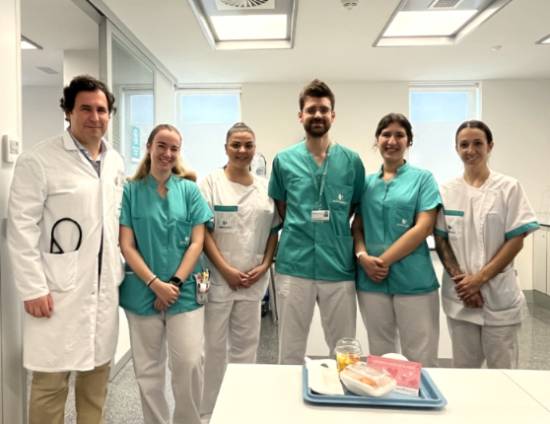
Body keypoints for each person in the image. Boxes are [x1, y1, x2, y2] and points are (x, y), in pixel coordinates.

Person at [7, 75, 125, 424]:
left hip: (103, 289)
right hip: (55, 291)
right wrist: (33, 288)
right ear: (68, 112)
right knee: (49, 384)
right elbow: (21, 227)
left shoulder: (115, 162)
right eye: (85, 108)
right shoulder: (39, 160)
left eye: (101, 110)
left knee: (96, 382)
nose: (95, 117)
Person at [118, 124, 213, 424]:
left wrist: (172, 284)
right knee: (148, 370)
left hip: (182, 291)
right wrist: (155, 284)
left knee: (188, 363)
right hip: (142, 290)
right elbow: (126, 244)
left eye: (174, 148)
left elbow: (198, 242)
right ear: (149, 146)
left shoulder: (188, 189)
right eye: (162, 145)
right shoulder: (131, 191)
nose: (167, 153)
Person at [268, 79, 365, 365]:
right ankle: (288, 405)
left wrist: (330, 231)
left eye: (324, 109)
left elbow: (355, 206)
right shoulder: (284, 160)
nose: (318, 115)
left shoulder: (351, 161)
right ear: (301, 116)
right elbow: (282, 207)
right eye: (311, 110)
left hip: (337, 265)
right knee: (290, 348)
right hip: (294, 264)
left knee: (345, 350)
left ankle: (345, 403)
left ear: (333, 115)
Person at [434, 120, 539, 369]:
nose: (471, 150)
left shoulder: (508, 188)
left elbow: (516, 240)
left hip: (498, 298)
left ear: (490, 146)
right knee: (464, 371)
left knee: (504, 372)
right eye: (464, 144)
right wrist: (464, 284)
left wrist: (479, 280)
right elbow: (441, 239)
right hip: (461, 298)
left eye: (478, 143)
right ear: (456, 148)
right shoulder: (446, 190)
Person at [199, 122, 280, 416]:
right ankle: (209, 411)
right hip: (219, 279)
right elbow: (203, 233)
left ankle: (240, 410)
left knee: (247, 347)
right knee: (214, 349)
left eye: (248, 145)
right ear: (226, 148)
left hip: (252, 279)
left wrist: (265, 265)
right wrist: (226, 270)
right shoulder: (210, 183)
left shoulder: (265, 188)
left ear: (255, 150)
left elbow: (273, 231)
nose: (242, 151)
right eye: (236, 145)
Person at [352, 113, 441, 367]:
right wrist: (362, 257)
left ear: (409, 141)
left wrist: (380, 261)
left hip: (413, 279)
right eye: (386, 134)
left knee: (419, 353)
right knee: (381, 353)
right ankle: (385, 402)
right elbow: (357, 226)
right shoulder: (367, 183)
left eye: (399, 135)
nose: (392, 140)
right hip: (371, 282)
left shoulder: (423, 179)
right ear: (377, 140)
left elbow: (424, 227)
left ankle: (422, 400)